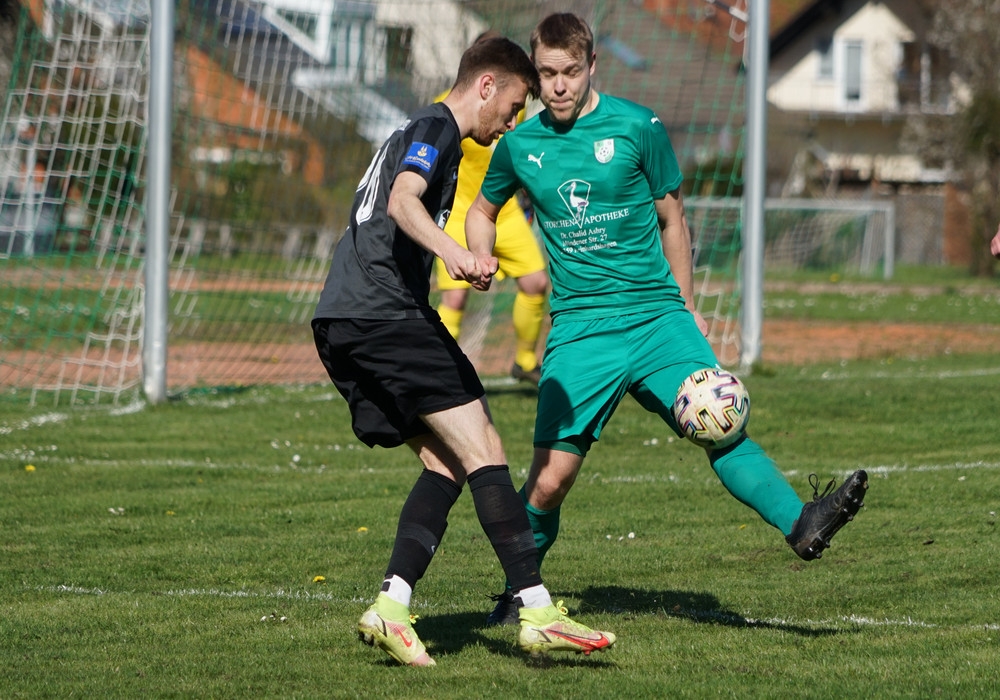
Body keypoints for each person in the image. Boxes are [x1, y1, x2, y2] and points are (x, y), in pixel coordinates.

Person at [463, 13, 869, 625]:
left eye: (570, 72)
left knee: (720, 424)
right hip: (581, 331)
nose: (558, 86)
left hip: (657, 318)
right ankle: (519, 590)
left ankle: (801, 521)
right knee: (548, 483)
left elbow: (673, 220)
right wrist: (479, 254)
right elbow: (481, 210)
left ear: (592, 65)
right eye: (546, 74)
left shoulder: (638, 126)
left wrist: (687, 309)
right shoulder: (521, 144)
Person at [311, 34, 615, 666]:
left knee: (448, 462)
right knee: (485, 448)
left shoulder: (420, 130)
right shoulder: (437, 128)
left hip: (343, 319)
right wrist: (454, 253)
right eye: (514, 106)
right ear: (486, 85)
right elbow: (402, 201)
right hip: (384, 315)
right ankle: (538, 612)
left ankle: (391, 608)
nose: (512, 123)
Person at [433, 32, 549, 386]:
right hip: (458, 211)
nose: (511, 120)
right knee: (455, 297)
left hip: (503, 210)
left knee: (536, 282)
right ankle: (439, 375)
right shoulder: (446, 107)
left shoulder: (515, 105)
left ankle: (525, 361)